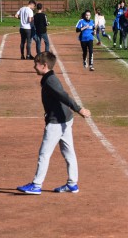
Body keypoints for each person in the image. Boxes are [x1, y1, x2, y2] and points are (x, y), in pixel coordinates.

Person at [16, 51, 91, 195]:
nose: (34, 67)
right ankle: (72, 184)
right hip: (65, 120)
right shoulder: (49, 78)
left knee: (44, 154)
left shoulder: (50, 81)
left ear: (44, 66)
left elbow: (63, 96)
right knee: (69, 153)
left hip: (56, 123)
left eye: (36, 64)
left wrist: (79, 109)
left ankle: (36, 185)